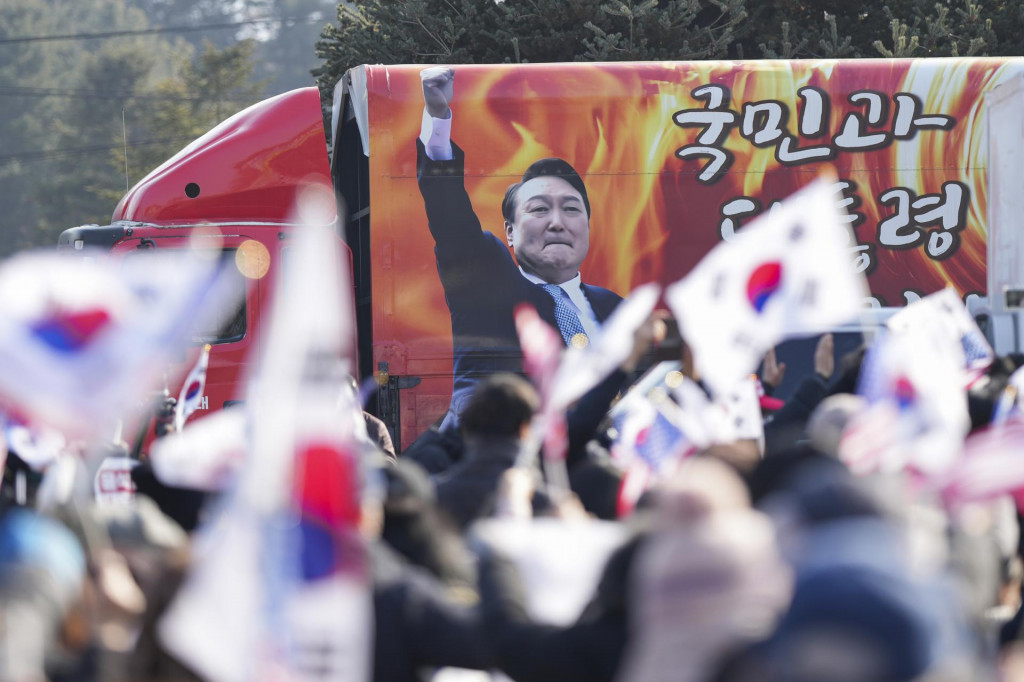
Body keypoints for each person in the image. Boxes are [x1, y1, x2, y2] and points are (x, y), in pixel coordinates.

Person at [416, 66, 623, 432]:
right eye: (540, 209)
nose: (557, 222)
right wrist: (437, 116)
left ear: (587, 227)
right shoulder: (487, 280)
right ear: (510, 232)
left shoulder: (614, 307)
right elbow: (450, 217)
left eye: (571, 209)